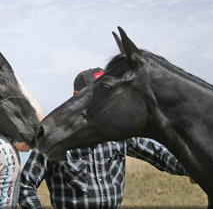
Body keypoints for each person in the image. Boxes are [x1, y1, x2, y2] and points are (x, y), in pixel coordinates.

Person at [19, 68, 191, 209]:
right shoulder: (55, 139)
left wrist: (191, 169)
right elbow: (25, 186)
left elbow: (158, 156)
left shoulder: (117, 132)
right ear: (76, 96)